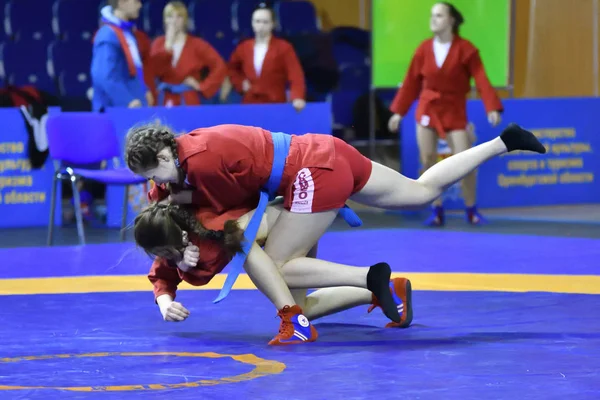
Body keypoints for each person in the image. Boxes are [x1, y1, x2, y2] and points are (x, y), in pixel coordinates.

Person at [124, 121, 546, 345]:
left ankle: (365, 279)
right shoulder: (177, 169)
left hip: (309, 172)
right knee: (420, 192)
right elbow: (170, 222)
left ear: (165, 153)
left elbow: (234, 225)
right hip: (322, 151)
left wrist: (188, 265)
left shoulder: (200, 164)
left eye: (154, 174)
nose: (155, 186)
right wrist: (166, 285)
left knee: (275, 267)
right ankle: (502, 143)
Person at [133, 198, 413, 345]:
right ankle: (384, 290)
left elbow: (200, 273)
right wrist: (164, 301)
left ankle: (369, 278)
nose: (168, 260)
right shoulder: (174, 238)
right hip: (285, 226)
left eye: (170, 253)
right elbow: (162, 273)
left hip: (291, 221)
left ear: (182, 236)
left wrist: (183, 267)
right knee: (302, 308)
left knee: (266, 262)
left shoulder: (208, 227)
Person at [387, 2, 503, 226]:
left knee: (466, 161)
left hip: (454, 111)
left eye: (439, 15)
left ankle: (471, 209)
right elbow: (411, 82)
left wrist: (492, 106)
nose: (433, 19)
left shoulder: (467, 49)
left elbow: (481, 79)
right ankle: (436, 210)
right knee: (428, 162)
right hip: (427, 110)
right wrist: (398, 113)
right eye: (432, 15)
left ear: (451, 20)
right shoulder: (423, 49)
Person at [227, 3, 306, 111]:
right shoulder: (243, 47)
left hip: (275, 104)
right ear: (252, 23)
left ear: (272, 24)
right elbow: (232, 68)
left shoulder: (284, 48)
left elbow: (296, 75)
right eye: (257, 21)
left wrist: (297, 97)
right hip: (249, 104)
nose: (261, 25)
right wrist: (240, 83)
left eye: (265, 22)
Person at [150, 1, 227, 106]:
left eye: (179, 17)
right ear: (164, 20)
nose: (174, 21)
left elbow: (219, 65)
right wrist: (168, 45)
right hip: (163, 99)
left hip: (188, 98)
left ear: (185, 20)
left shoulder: (197, 44)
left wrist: (203, 86)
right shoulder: (158, 43)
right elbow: (153, 71)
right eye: (170, 17)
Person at [91, 0, 156, 111]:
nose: (140, 5)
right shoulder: (107, 34)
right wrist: (126, 100)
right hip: (118, 110)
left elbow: (134, 70)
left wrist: (144, 90)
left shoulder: (127, 33)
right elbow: (103, 76)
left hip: (133, 106)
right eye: (136, 1)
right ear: (121, 3)